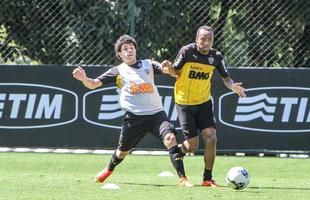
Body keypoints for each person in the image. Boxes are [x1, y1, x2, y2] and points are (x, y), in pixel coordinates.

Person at [72, 35, 193, 187]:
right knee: (122, 152)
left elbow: (168, 71)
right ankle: (108, 169)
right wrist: (84, 78)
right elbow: (94, 84)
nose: (129, 51)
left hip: (157, 115)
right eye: (125, 49)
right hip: (134, 119)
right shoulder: (118, 70)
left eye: (131, 48)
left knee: (170, 139)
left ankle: (183, 178)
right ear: (119, 54)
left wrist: (168, 67)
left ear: (136, 50)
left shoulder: (148, 64)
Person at [162, 25, 246, 187]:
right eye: (203, 39)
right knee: (192, 146)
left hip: (204, 102)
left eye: (210, 39)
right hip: (184, 102)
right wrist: (169, 69)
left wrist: (232, 86)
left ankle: (207, 178)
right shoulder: (187, 51)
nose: (206, 42)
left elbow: (226, 78)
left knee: (211, 137)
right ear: (196, 39)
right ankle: (177, 152)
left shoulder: (216, 57)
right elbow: (176, 73)